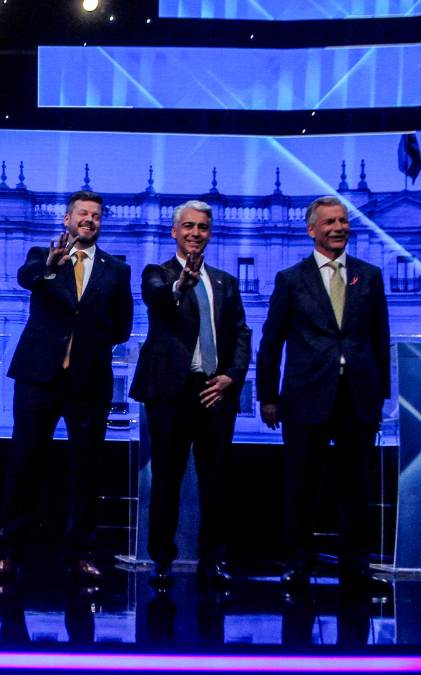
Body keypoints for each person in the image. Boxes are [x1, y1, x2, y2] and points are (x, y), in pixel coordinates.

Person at [0, 190, 133, 581]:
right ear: (67, 220)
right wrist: (49, 266)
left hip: (89, 382)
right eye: (82, 213)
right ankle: (9, 551)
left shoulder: (116, 269)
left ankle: (81, 554)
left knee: (86, 470)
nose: (89, 219)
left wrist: (89, 341)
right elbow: (26, 279)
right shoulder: (43, 255)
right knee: (24, 464)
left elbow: (122, 327)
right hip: (38, 378)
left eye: (95, 215)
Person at [257, 196, 390, 592]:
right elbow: (271, 343)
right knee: (301, 487)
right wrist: (268, 396)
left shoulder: (369, 276)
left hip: (357, 398)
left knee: (356, 488)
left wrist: (380, 394)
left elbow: (379, 338)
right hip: (304, 399)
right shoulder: (290, 279)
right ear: (311, 230)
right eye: (329, 222)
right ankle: (297, 563)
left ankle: (356, 565)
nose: (338, 227)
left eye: (343, 221)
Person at [128, 200, 251, 590]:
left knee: (216, 481)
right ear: (174, 231)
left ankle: (212, 561)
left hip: (216, 391)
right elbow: (158, 299)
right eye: (189, 226)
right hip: (171, 393)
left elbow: (241, 333)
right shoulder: (158, 274)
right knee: (167, 478)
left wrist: (231, 376)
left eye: (203, 227)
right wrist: (182, 284)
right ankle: (161, 559)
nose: (196, 233)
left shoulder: (225, 282)